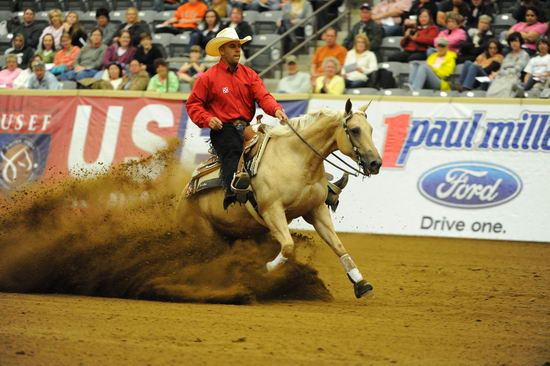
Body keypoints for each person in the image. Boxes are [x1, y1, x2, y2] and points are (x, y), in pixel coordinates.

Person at [186, 27, 288, 209]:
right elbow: (193, 105)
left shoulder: (249, 74)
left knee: (273, 146)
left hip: (247, 127)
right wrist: (208, 119)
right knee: (232, 149)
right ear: (222, 51)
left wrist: (275, 109)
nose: (237, 50)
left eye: (238, 46)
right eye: (232, 46)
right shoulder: (208, 78)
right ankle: (231, 193)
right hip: (223, 129)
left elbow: (263, 96)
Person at [486, 32, 530, 97]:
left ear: (520, 42)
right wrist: (494, 74)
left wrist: (499, 73)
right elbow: (501, 68)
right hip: (501, 77)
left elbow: (516, 70)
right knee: (491, 91)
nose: (514, 43)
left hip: (514, 78)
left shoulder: (524, 55)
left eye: (516, 41)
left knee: (504, 90)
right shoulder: (508, 55)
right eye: (512, 41)